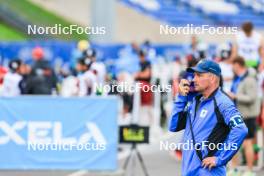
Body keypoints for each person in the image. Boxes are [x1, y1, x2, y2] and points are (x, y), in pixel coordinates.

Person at [169, 59, 248, 175]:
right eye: (194, 75)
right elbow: (173, 126)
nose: (194, 79)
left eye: (199, 75)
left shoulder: (223, 103)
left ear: (212, 78)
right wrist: (181, 98)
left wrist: (220, 159)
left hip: (208, 172)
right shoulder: (196, 101)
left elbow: (241, 129)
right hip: (189, 171)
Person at [227, 56, 260, 176]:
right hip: (237, 115)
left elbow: (252, 97)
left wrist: (235, 96)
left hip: (248, 116)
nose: (231, 67)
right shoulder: (237, 78)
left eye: (233, 64)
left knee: (247, 144)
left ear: (238, 65)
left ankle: (250, 171)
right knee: (234, 143)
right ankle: (235, 168)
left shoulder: (249, 79)